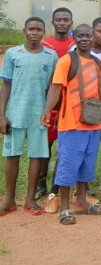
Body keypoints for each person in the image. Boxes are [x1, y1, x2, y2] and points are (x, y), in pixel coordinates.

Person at [41, 24, 101, 225]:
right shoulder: (66, 61)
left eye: (88, 35)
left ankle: (81, 200)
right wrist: (47, 110)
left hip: (93, 123)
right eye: (81, 36)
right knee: (68, 165)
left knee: (87, 165)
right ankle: (64, 207)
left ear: (93, 37)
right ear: (74, 38)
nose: (85, 39)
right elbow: (55, 88)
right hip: (71, 124)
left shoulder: (97, 62)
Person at [0, 17, 58, 216]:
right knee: (12, 156)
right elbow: (6, 86)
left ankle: (30, 199)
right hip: (15, 114)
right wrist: (2, 115)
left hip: (38, 116)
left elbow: (53, 87)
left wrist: (48, 111)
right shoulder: (12, 54)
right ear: (24, 30)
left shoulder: (51, 56)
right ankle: (9, 200)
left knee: (36, 156)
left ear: (43, 32)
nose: (34, 32)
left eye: (38, 29)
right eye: (31, 29)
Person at [37, 7, 74, 203]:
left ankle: (58, 185)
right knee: (45, 145)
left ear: (71, 23)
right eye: (58, 19)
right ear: (53, 22)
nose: (62, 23)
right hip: (49, 102)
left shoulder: (76, 44)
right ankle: (41, 182)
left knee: (66, 147)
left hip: (70, 105)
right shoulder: (44, 45)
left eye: (66, 19)